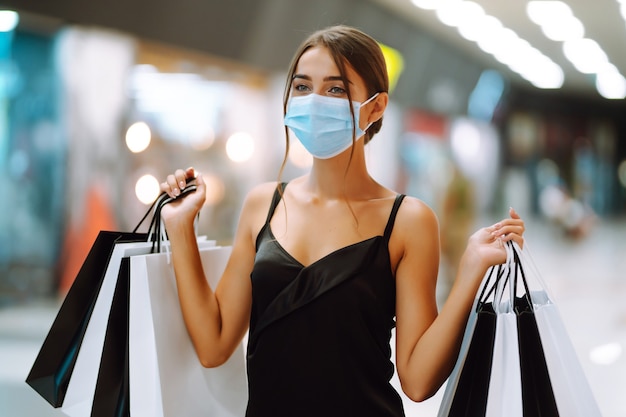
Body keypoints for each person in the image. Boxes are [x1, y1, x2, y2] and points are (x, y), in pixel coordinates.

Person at [159, 25, 524, 417]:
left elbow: (418, 382)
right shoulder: (262, 204)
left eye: (335, 89)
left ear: (376, 107)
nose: (314, 101)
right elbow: (214, 344)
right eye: (302, 87)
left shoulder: (408, 220)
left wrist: (470, 270)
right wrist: (180, 227)